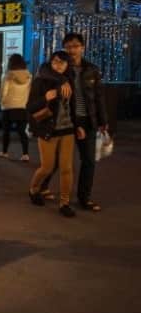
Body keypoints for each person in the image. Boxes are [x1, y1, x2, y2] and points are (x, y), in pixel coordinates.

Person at [49, 33, 108, 211]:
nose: (71, 50)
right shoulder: (59, 67)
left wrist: (103, 120)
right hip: (66, 119)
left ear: (83, 48)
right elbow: (43, 71)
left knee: (89, 160)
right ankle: (41, 187)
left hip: (87, 120)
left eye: (75, 46)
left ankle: (84, 197)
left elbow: (99, 96)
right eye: (68, 46)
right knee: (56, 160)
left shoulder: (92, 69)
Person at [27, 51, 84, 217]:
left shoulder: (69, 81)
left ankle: (64, 203)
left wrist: (78, 125)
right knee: (47, 167)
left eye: (62, 62)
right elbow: (30, 107)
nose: (59, 65)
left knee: (67, 168)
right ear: (50, 63)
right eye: (55, 62)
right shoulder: (41, 81)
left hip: (68, 130)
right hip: (48, 129)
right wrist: (45, 97)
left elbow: (73, 107)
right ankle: (34, 189)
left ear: (67, 65)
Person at [0, 53, 31, 161]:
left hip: (8, 107)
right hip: (22, 107)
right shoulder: (29, 76)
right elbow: (29, 92)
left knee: (6, 131)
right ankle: (25, 154)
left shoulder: (8, 76)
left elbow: (4, 92)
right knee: (22, 132)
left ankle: (5, 152)